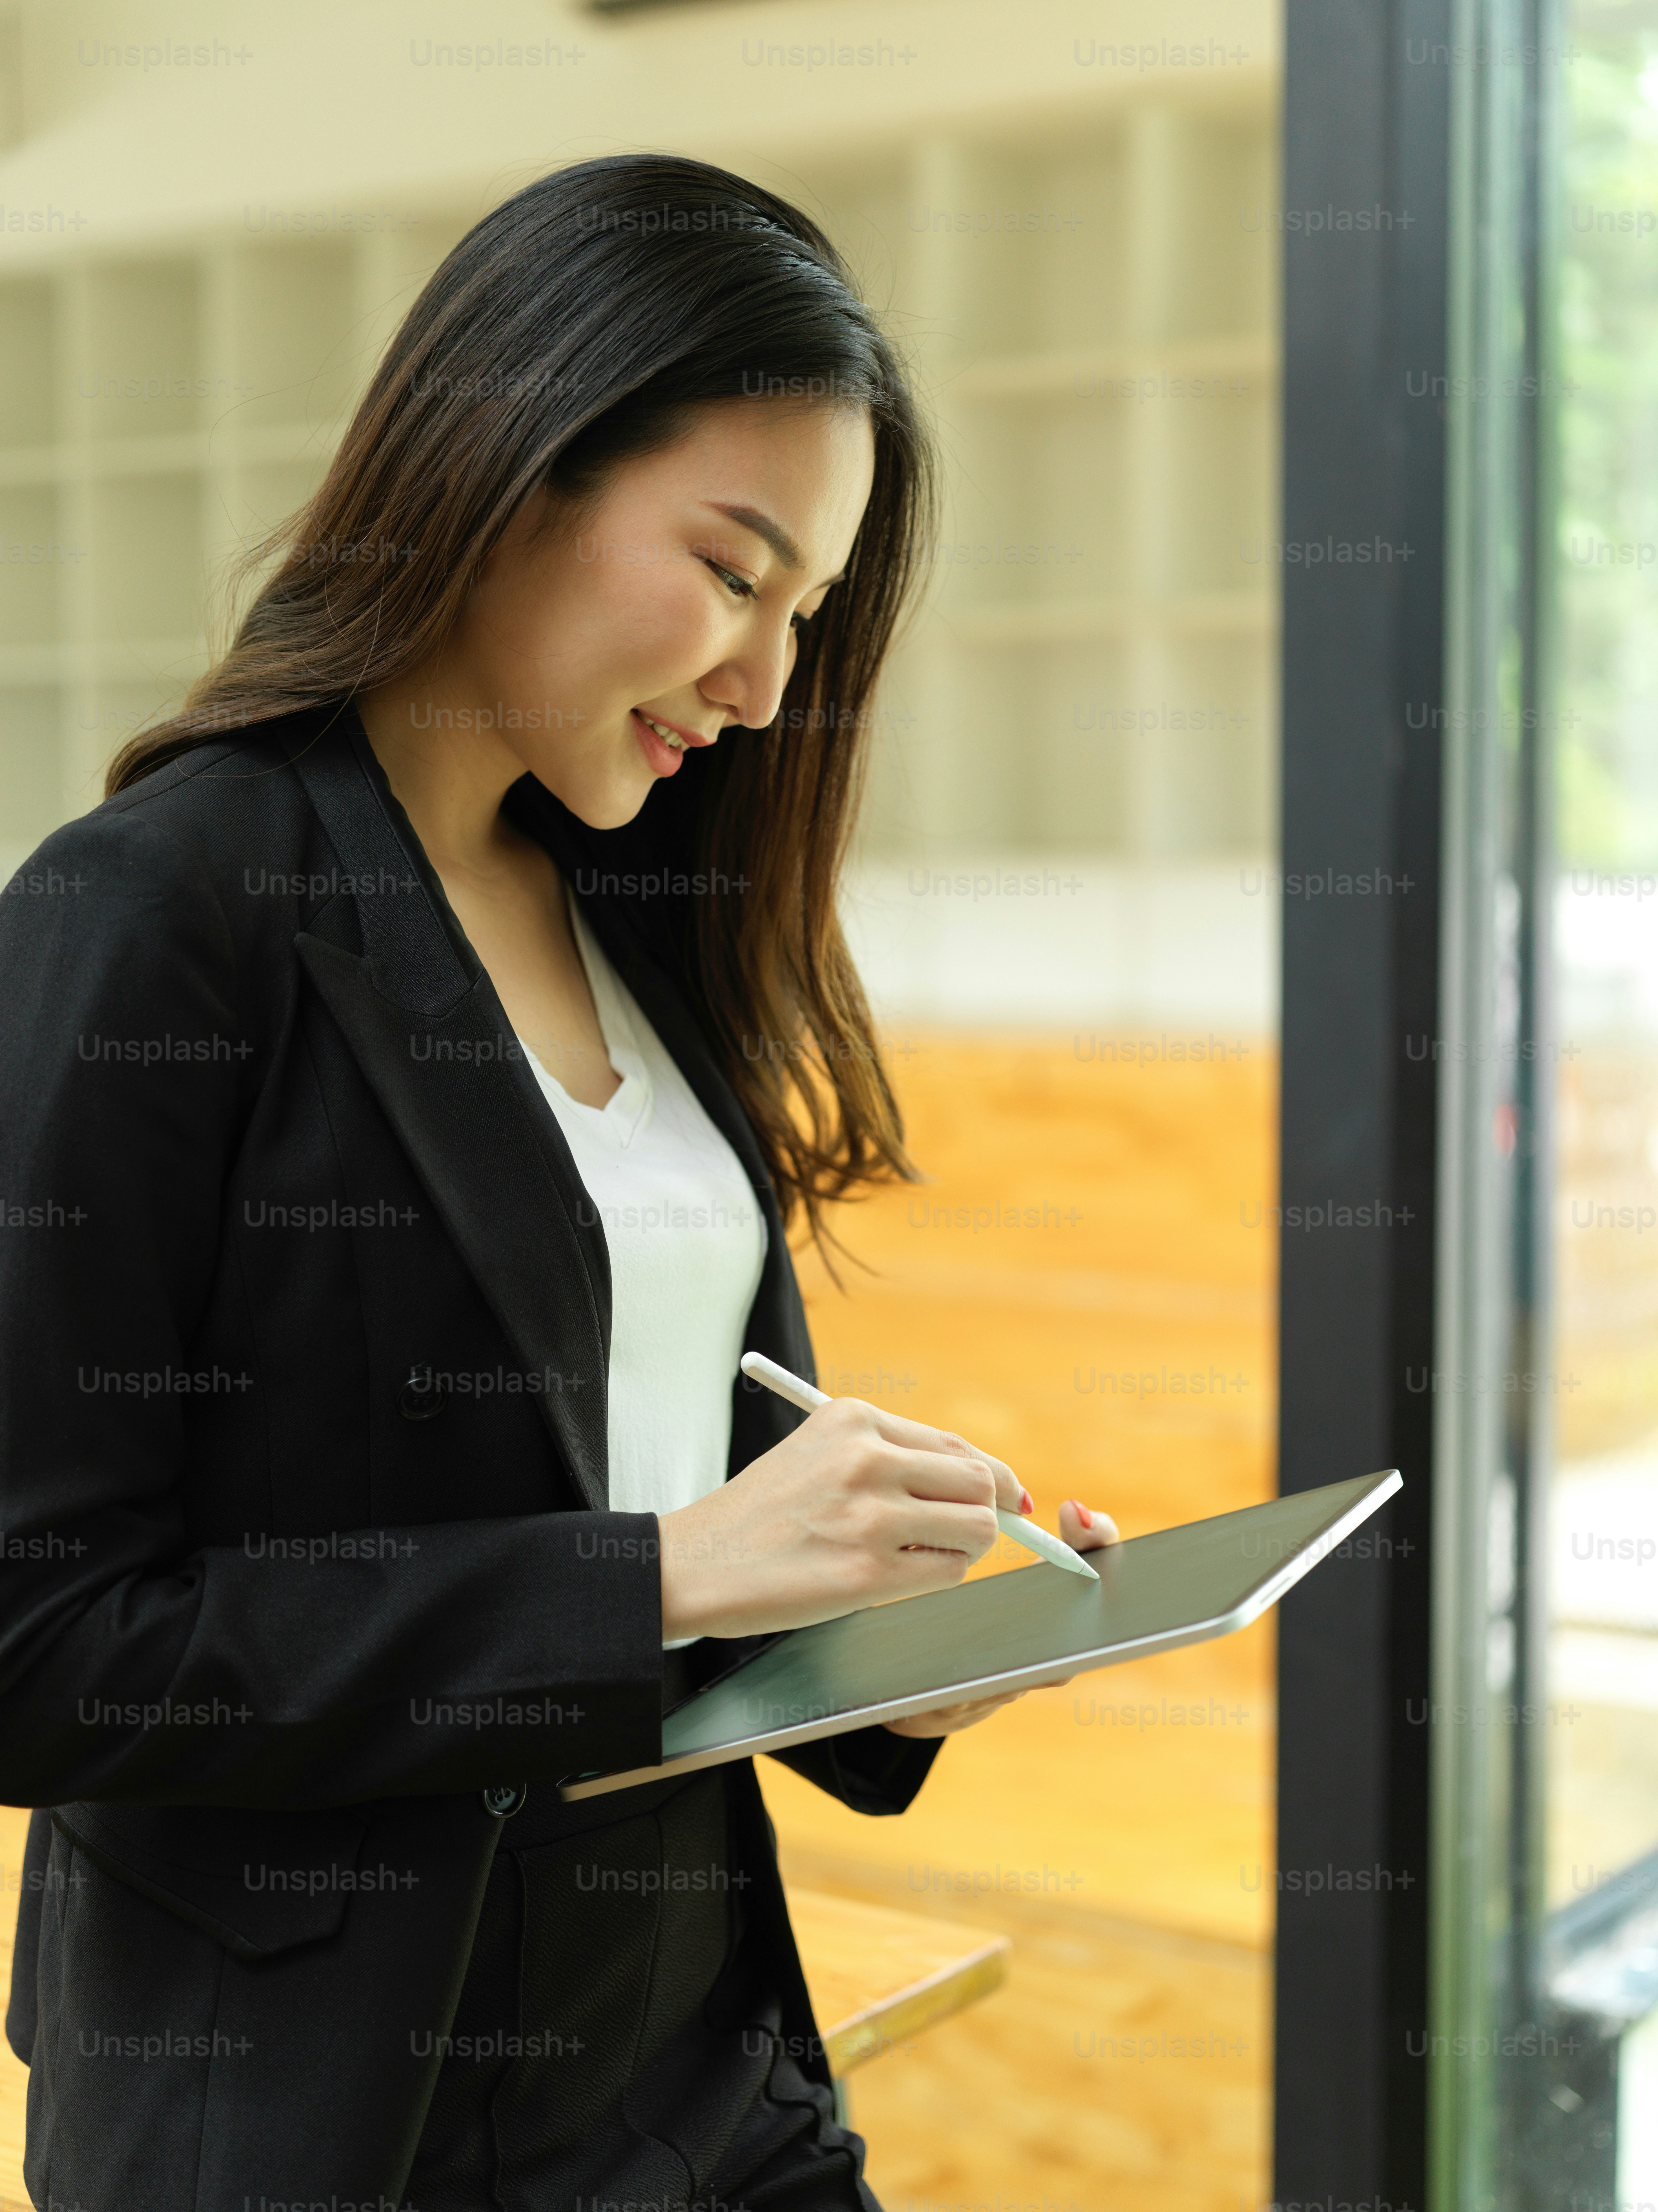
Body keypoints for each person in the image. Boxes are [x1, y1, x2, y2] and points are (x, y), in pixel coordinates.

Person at [0, 152, 1116, 2211]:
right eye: (731, 570)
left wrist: (897, 1640)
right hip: (333, 2122)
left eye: (811, 613)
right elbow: (45, 1643)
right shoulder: (156, 915)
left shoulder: (632, 914)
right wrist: (671, 1571)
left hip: (706, 2077)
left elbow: (667, 1506)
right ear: (509, 471)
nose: (771, 681)